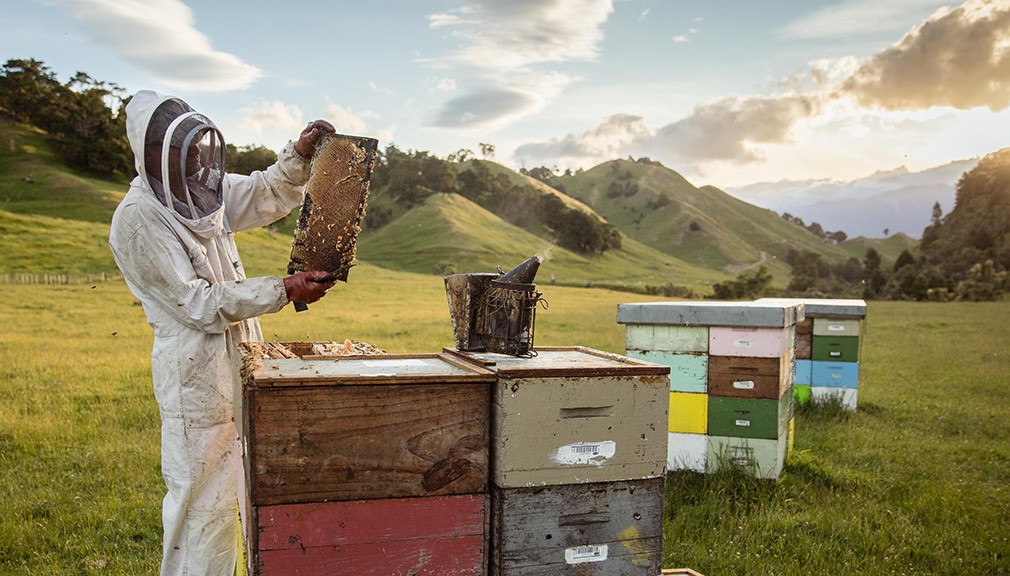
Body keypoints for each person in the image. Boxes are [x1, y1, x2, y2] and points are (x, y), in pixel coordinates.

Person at [108, 90, 336, 576]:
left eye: (196, 145)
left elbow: (264, 191)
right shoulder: (137, 218)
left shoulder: (200, 190)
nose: (195, 157)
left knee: (245, 492)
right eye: (181, 150)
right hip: (195, 377)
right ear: (152, 153)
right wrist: (284, 289)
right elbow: (196, 303)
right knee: (203, 510)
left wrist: (298, 156)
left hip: (242, 359)